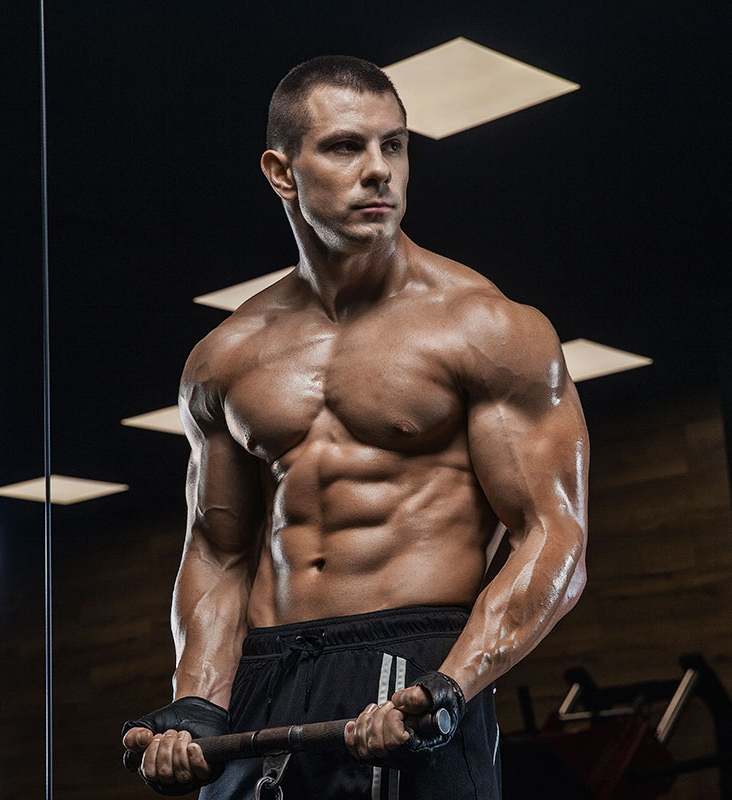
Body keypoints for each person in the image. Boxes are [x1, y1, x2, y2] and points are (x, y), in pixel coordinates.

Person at [122, 55, 588, 799]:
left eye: (394, 146)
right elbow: (217, 548)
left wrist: (449, 685)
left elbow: (553, 537)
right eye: (346, 147)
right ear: (281, 171)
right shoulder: (226, 358)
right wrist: (198, 702)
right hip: (268, 673)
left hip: (418, 661)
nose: (380, 171)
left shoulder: (488, 328)